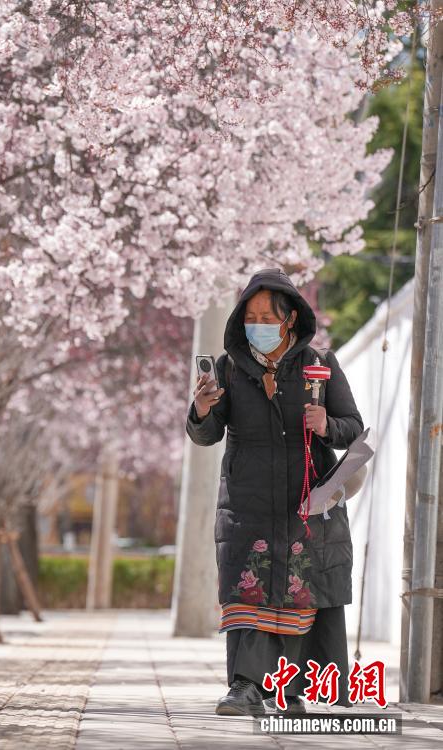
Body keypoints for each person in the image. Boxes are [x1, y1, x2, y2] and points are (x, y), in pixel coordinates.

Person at [185, 267, 364, 716]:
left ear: (290, 319)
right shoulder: (229, 368)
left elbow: (352, 427)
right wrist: (202, 409)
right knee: (250, 593)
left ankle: (287, 690)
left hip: (304, 505)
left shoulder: (320, 366)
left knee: (298, 594)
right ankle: (245, 687)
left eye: (267, 317)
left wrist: (326, 425)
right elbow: (207, 435)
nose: (258, 325)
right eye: (251, 317)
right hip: (247, 505)